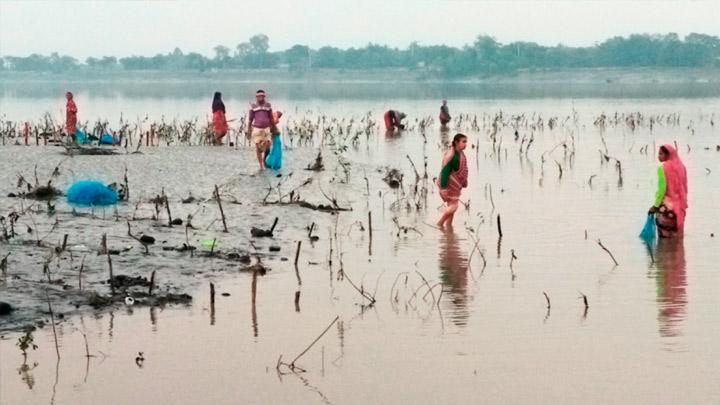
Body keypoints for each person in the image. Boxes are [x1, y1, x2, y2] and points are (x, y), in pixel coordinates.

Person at [649, 144, 688, 238]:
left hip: (666, 209)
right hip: (679, 209)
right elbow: (685, 187)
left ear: (668, 155)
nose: (658, 156)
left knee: (664, 241)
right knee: (677, 240)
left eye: (661, 154)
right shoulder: (682, 167)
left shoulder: (662, 168)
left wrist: (655, 206)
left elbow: (662, 189)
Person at [436, 133, 469, 227]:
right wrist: (443, 188)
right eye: (463, 142)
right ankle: (439, 223)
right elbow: (445, 171)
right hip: (448, 184)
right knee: (454, 207)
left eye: (466, 142)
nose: (465, 144)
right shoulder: (452, 156)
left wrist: (464, 181)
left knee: (452, 205)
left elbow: (462, 170)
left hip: (453, 185)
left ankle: (449, 227)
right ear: (456, 142)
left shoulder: (460, 154)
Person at [246, 89, 277, 170]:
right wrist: (249, 130)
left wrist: (274, 128)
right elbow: (250, 120)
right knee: (258, 147)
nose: (260, 98)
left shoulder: (268, 105)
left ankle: (265, 161)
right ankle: (261, 165)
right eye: (258, 97)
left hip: (266, 128)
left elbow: (271, 118)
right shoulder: (253, 106)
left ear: (264, 97)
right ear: (256, 97)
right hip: (257, 129)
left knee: (268, 145)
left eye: (261, 96)